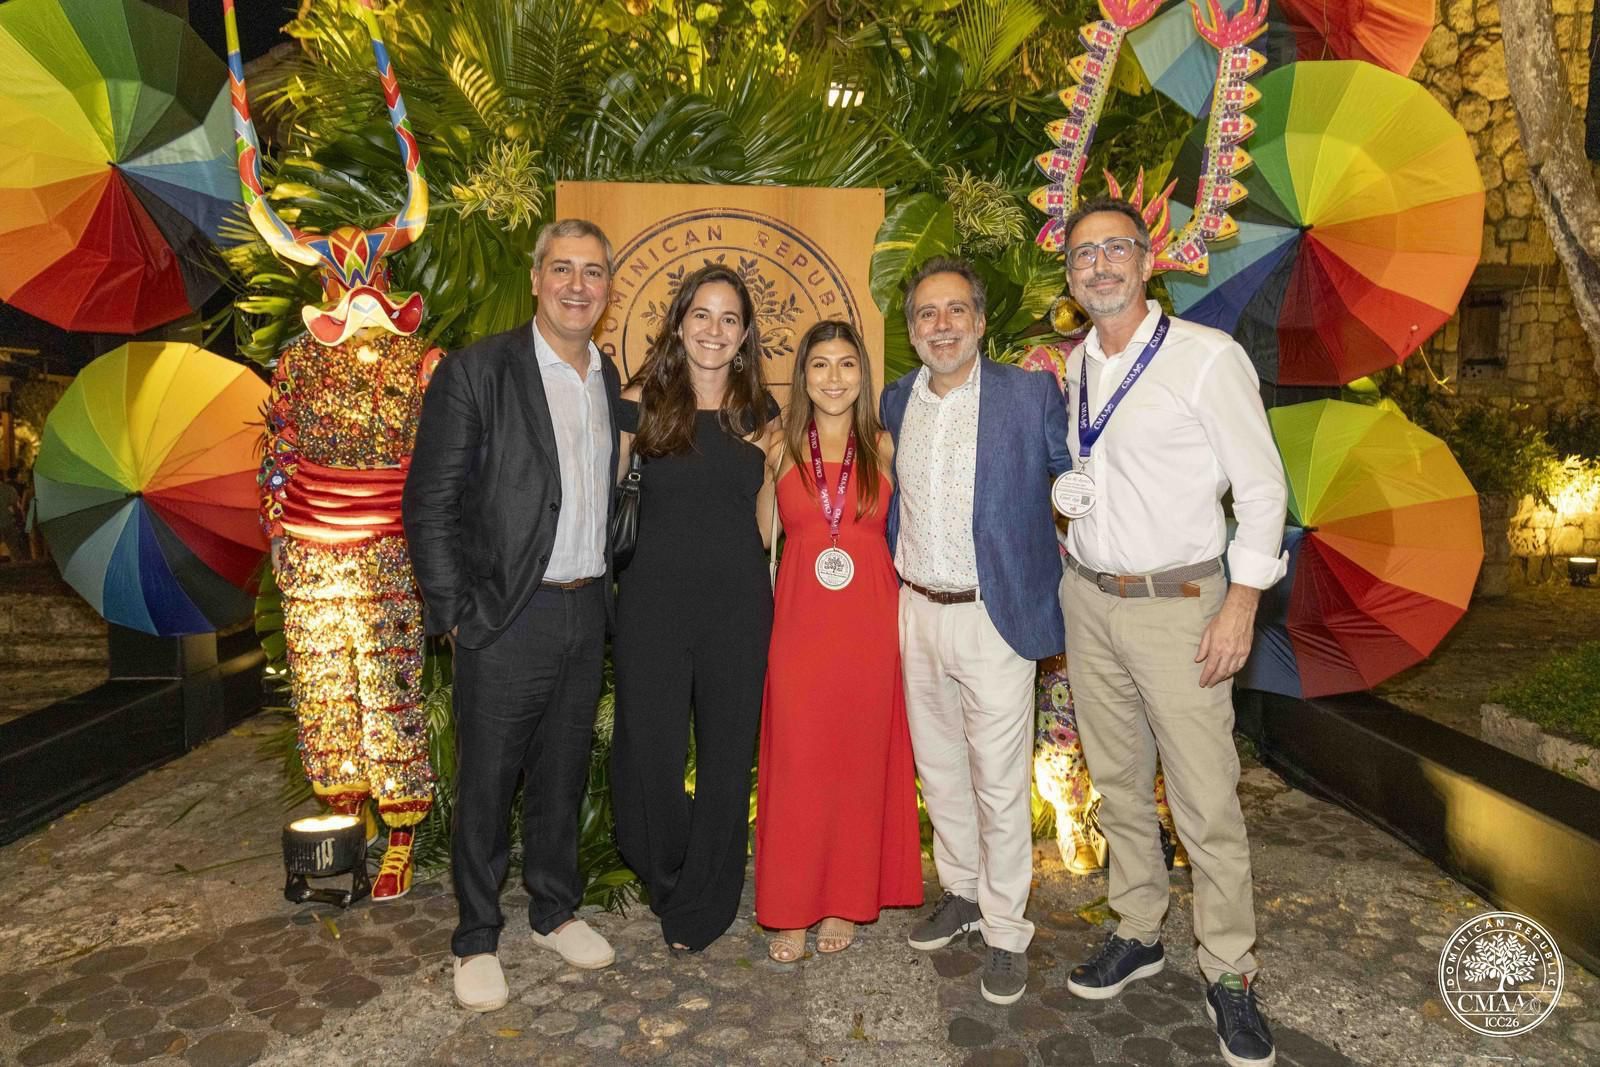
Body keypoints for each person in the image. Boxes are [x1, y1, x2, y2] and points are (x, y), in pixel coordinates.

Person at [1053, 196, 1287, 1067]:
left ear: (1148, 261)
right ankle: (1139, 927)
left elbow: (1262, 490)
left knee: (1205, 798)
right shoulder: (1077, 365)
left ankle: (1229, 968)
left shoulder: (1205, 357)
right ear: (1071, 276)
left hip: (1182, 604)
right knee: (1118, 782)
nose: (1100, 265)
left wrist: (1241, 603)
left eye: (1116, 248)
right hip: (1090, 599)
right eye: (1084, 255)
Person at [403, 219, 622, 1013]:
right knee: (488, 783)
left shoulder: (606, 374)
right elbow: (429, 501)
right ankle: (476, 935)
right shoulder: (478, 371)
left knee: (563, 771)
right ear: (536, 279)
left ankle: (554, 910)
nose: (576, 285)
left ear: (607, 288)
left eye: (592, 271)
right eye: (562, 268)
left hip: (583, 607)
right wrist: (457, 614)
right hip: (504, 614)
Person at [881, 257, 1070, 1005]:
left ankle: (1006, 928)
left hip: (995, 614)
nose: (942, 325)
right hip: (917, 608)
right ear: (911, 331)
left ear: (982, 321)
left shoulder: (1028, 394)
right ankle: (960, 891)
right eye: (927, 313)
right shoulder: (897, 399)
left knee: (998, 780)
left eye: (956, 310)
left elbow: (1072, 479)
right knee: (940, 769)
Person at [610, 263, 780, 953]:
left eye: (729, 318)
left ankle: (707, 899)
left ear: (744, 335)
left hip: (737, 607)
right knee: (647, 759)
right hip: (650, 605)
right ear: (680, 324)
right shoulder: (638, 400)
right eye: (702, 315)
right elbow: (602, 494)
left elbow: (766, 529)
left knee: (726, 761)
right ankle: (667, 869)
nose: (714, 329)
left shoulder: (762, 415)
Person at [755, 320, 923, 963]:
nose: (833, 377)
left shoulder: (884, 446)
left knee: (857, 761)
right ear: (803, 375)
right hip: (800, 625)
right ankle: (792, 905)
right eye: (820, 364)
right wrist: (763, 471)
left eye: (847, 364)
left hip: (869, 625)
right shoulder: (780, 446)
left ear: (863, 373)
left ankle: (844, 900)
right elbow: (762, 533)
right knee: (798, 762)